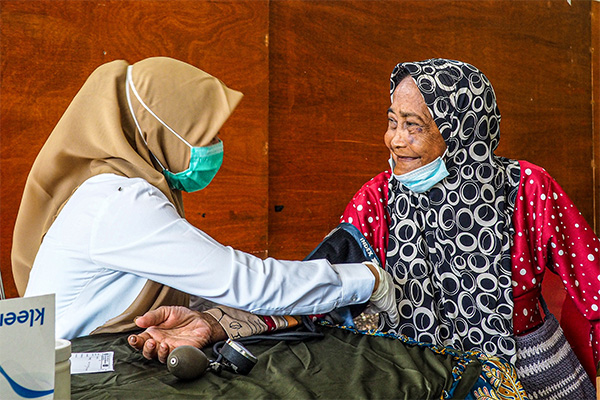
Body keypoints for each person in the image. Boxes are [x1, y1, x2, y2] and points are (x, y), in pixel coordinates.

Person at [128, 58, 599, 399]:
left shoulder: (526, 188)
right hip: (415, 374)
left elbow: (594, 289)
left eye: (414, 126)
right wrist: (213, 324)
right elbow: (317, 291)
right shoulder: (377, 198)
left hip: (529, 369)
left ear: (462, 131)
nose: (395, 140)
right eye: (392, 122)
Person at [13, 56, 398, 342]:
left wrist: (210, 320)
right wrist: (365, 278)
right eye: (204, 135)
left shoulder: (120, 187)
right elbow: (248, 284)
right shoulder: (122, 202)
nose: (215, 147)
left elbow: (203, 276)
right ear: (159, 133)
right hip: (69, 372)